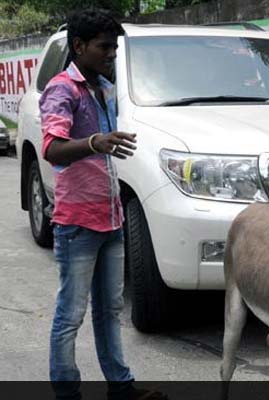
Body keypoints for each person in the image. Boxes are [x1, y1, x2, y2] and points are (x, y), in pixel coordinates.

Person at [40, 9, 166, 400]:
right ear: (79, 46)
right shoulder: (62, 89)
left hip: (110, 218)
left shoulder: (104, 88)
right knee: (70, 315)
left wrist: (110, 143)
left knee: (110, 311)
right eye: (104, 47)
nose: (112, 54)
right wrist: (96, 142)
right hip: (77, 222)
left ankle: (121, 387)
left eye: (114, 47)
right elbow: (52, 149)